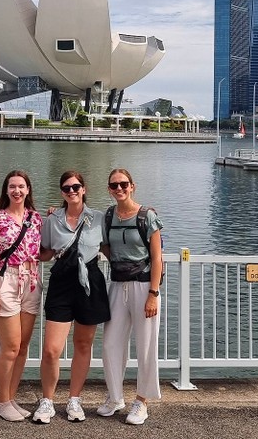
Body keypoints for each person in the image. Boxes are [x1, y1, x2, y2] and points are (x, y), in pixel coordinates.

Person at [32, 170, 110, 423]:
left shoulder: (99, 218)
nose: (72, 191)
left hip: (90, 281)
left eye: (76, 187)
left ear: (84, 189)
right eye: (67, 188)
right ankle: (47, 400)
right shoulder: (53, 219)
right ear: (62, 193)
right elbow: (44, 252)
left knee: (83, 344)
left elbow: (111, 246)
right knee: (51, 350)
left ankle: (74, 399)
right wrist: (14, 254)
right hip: (62, 282)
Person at [97, 168, 164, 425]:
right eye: (114, 185)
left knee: (146, 345)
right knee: (110, 344)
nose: (119, 188)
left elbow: (157, 258)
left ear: (132, 186)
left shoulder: (147, 216)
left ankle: (141, 401)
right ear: (109, 189)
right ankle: (115, 397)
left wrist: (153, 293)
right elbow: (105, 246)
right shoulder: (108, 216)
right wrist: (55, 213)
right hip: (117, 284)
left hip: (144, 286)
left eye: (123, 184)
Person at [0, 169, 43, 421]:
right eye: (12, 186)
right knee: (10, 348)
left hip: (31, 281)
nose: (17, 191)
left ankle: (11, 399)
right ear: (6, 190)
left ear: (28, 190)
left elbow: (43, 249)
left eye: (21, 186)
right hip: (6, 281)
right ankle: (1, 402)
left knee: (23, 347)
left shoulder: (35, 218)